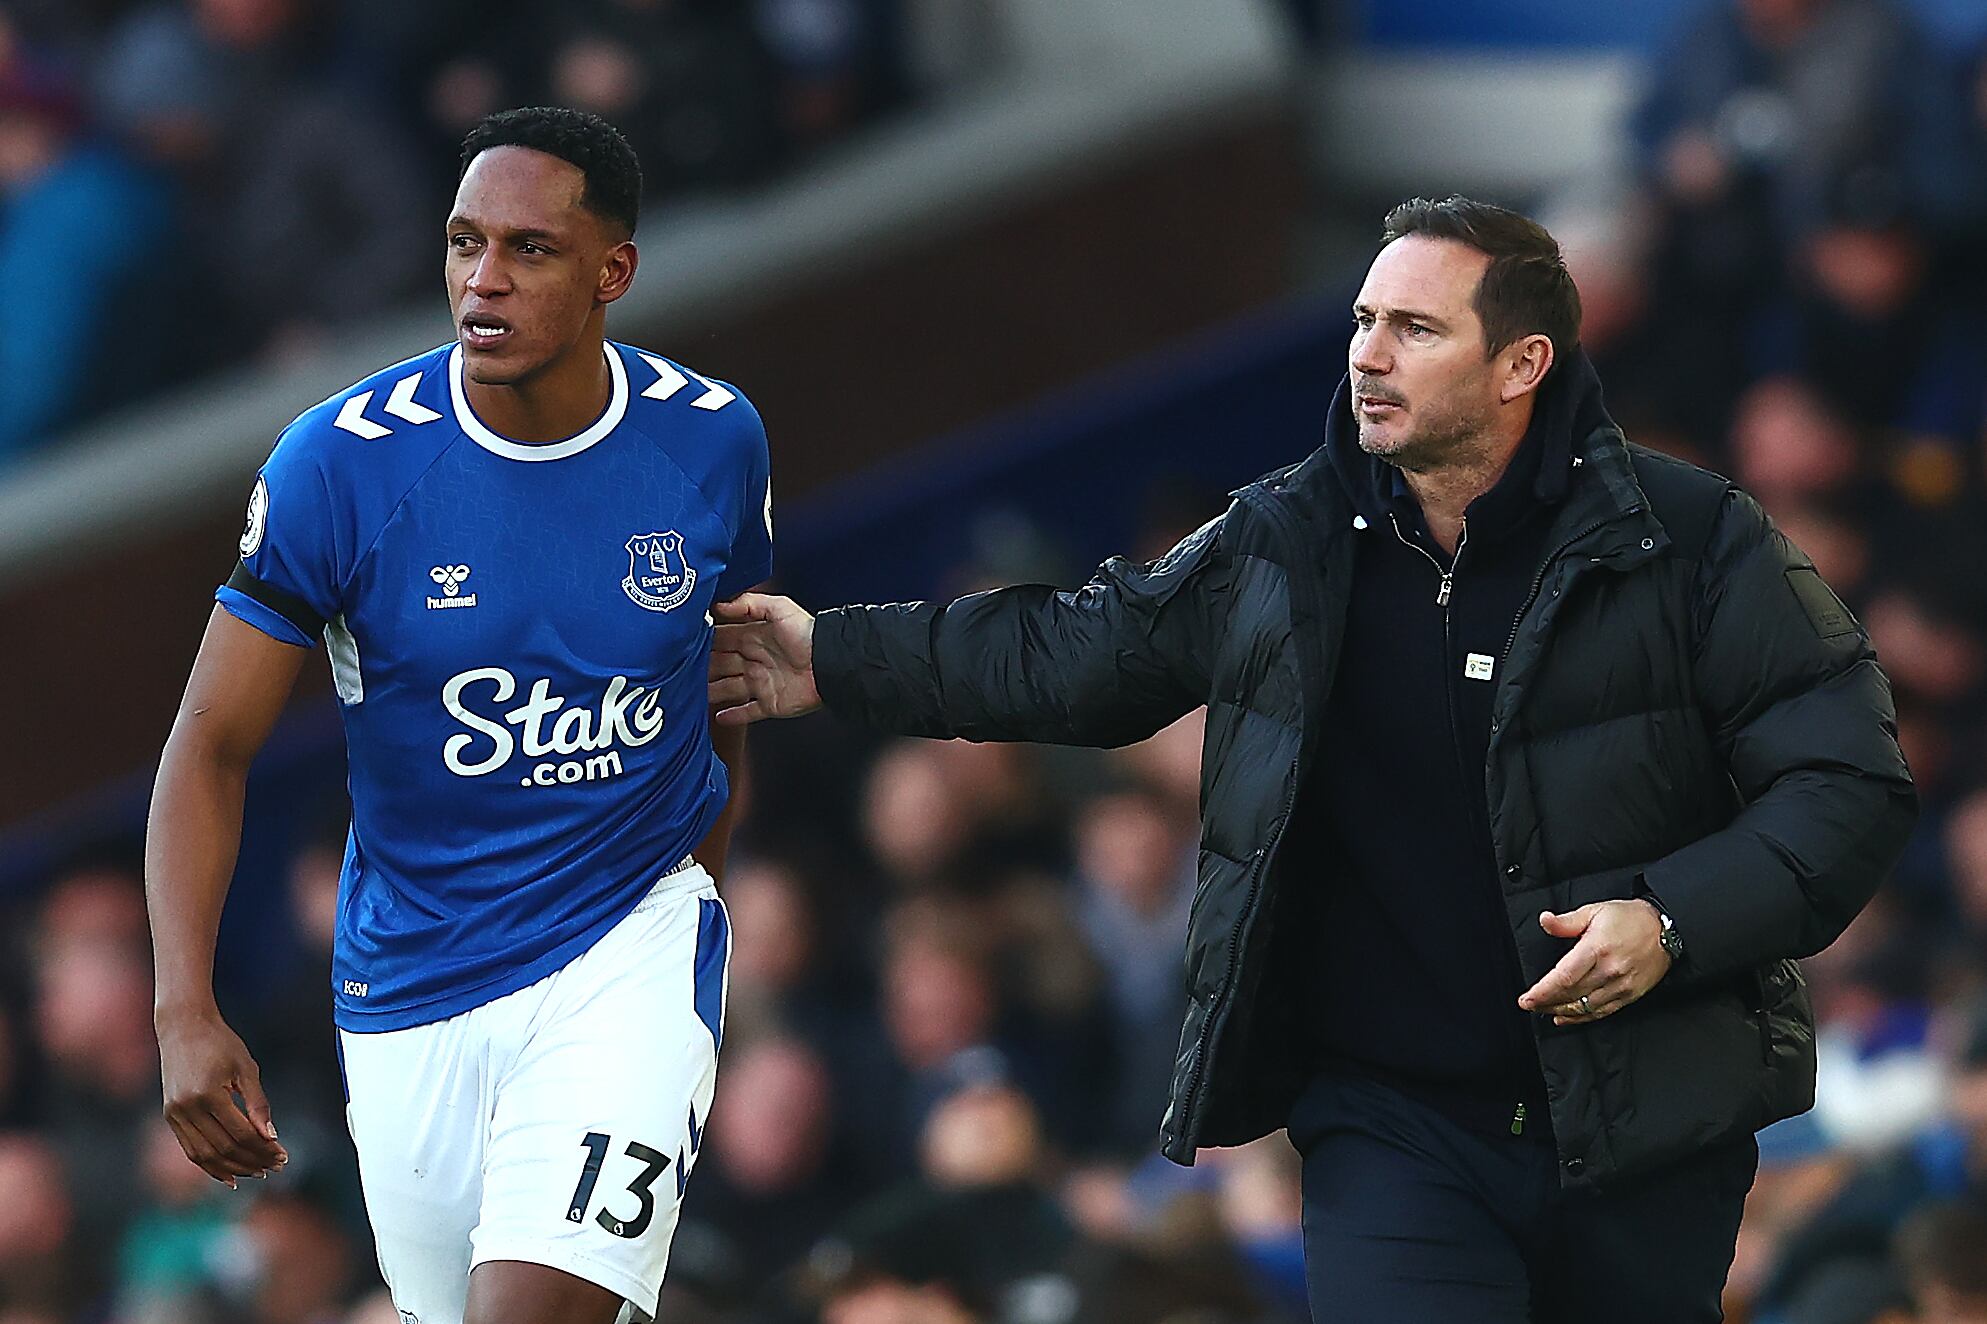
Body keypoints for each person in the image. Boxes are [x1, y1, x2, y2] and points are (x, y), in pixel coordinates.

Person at [708, 196, 1918, 1321]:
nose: (1367, 353)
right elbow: (1080, 648)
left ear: (1520, 365)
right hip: (1390, 1131)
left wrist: (1668, 923)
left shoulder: (1698, 540)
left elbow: (1848, 784)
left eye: (1413, 327)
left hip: (1645, 1124)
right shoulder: (1284, 539)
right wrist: (836, 659)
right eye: (1361, 320)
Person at [145, 106, 773, 1324]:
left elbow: (725, 683)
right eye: (462, 243)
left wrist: (701, 923)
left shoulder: (710, 439)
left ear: (612, 271)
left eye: (528, 250)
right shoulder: (341, 465)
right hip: (415, 986)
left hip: (629, 941)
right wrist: (183, 1008)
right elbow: (207, 747)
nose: (482, 281)